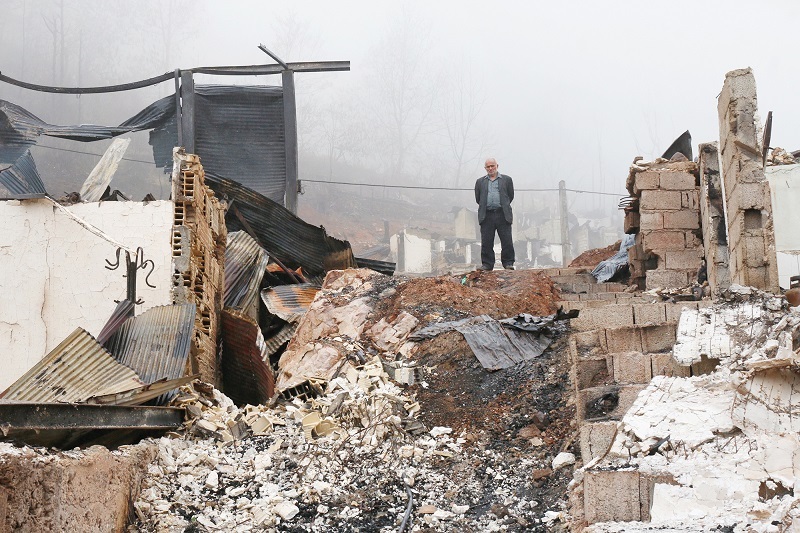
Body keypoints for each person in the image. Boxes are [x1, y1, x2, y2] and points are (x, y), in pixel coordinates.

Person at [474, 158, 515, 270]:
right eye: (488, 167)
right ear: (485, 168)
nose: (490, 168)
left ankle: (508, 263)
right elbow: (479, 199)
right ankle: (487, 264)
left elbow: (510, 196)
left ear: (497, 166)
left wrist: (503, 206)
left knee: (506, 240)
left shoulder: (507, 180)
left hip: (502, 214)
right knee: (486, 241)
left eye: (492, 166)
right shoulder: (480, 182)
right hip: (487, 215)